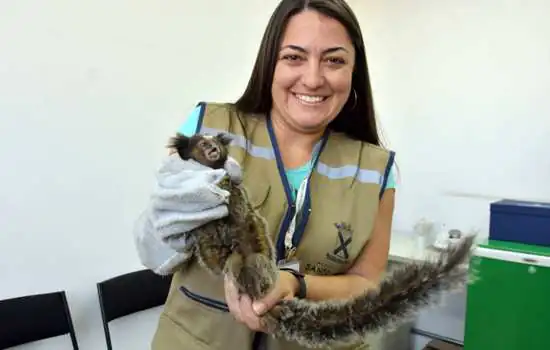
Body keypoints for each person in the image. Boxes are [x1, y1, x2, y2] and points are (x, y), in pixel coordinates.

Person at [133, 0, 397, 349]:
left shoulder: (375, 169)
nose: (314, 78)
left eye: (334, 60)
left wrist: (296, 283)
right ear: (269, 61)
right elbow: (155, 248)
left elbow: (367, 283)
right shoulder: (208, 129)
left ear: (354, 71)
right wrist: (166, 225)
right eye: (294, 57)